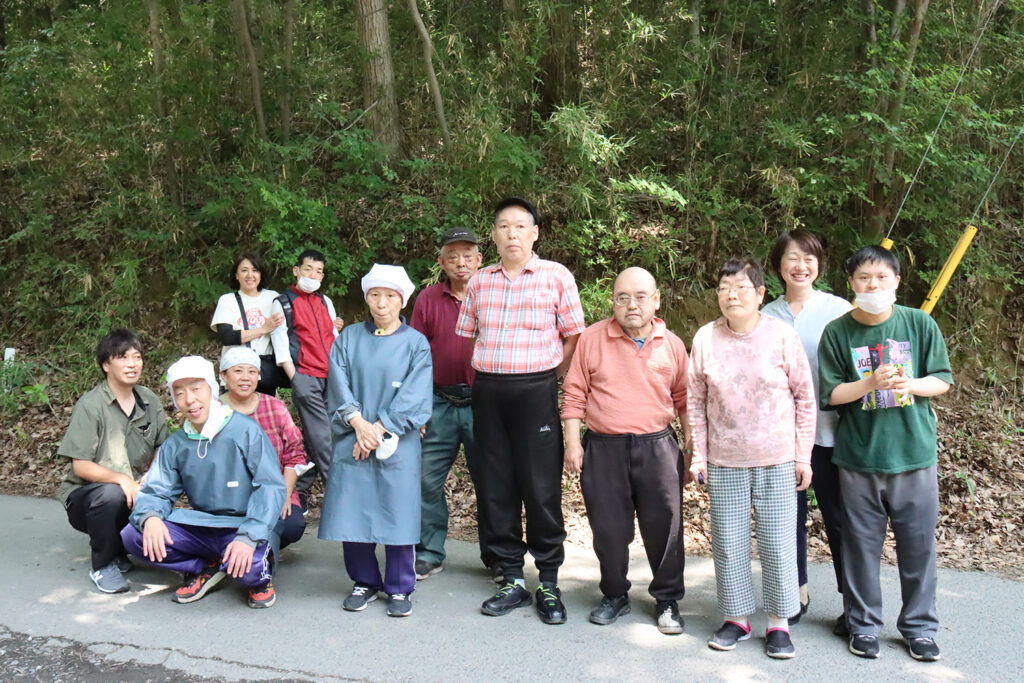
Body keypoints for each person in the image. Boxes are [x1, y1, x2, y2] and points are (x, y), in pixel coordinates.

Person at [456, 196, 586, 625]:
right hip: (490, 391)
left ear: (534, 233)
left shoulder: (555, 276)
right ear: (492, 235)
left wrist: (550, 375)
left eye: (520, 226)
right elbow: (469, 336)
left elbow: (572, 336)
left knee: (541, 486)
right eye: (504, 227)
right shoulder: (480, 281)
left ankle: (548, 580)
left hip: (536, 391)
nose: (512, 234)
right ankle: (510, 576)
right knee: (496, 485)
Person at [818, 246, 952, 662]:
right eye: (863, 278)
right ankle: (862, 625)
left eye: (880, 278)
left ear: (896, 282)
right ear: (851, 284)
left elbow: (942, 380)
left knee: (919, 548)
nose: (872, 285)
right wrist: (869, 384)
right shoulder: (838, 332)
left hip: (914, 456)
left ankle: (919, 628)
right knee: (859, 548)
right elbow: (831, 393)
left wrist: (909, 385)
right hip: (859, 458)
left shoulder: (918, 322)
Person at [688, 257, 815, 659]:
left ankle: (778, 622)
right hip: (724, 460)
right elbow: (695, 402)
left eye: (740, 287)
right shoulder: (706, 338)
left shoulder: (781, 335)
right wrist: (699, 456)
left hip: (777, 458)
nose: (730, 295)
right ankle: (737, 618)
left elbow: (805, 398)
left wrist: (803, 456)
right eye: (724, 287)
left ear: (761, 293)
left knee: (778, 543)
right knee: (728, 541)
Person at [561, 267, 692, 635]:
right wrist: (573, 444)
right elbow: (574, 394)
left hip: (658, 446)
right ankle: (614, 594)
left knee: (665, 526)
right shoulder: (592, 338)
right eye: (622, 297)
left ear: (656, 300)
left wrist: (691, 444)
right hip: (604, 447)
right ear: (612, 301)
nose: (631, 305)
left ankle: (667, 600)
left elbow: (684, 400)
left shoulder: (672, 344)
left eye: (640, 297)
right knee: (608, 528)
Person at [120, 356, 287, 609]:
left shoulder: (245, 430)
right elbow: (157, 490)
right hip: (203, 526)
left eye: (197, 389)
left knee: (249, 569)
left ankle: (256, 575)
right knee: (134, 536)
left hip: (245, 526)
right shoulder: (176, 444)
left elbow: (270, 486)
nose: (189, 399)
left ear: (212, 389)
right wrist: (151, 516)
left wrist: (249, 537)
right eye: (180, 392)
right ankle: (205, 566)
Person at [320, 264, 433, 618]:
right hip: (352, 435)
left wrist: (378, 429)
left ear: (402, 300)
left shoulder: (416, 344)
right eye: (375, 295)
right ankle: (363, 580)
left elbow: (416, 396)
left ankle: (400, 587)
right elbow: (337, 385)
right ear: (366, 297)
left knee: (398, 510)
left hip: (396, 441)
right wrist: (358, 423)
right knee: (353, 509)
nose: (381, 303)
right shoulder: (348, 338)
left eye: (390, 296)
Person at [761, 230, 853, 629]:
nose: (801, 266)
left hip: (833, 434)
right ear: (778, 266)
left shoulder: (839, 309)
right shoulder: (766, 315)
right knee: (787, 518)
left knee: (840, 517)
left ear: (820, 264)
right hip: (782, 437)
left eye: (809, 258)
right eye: (792, 258)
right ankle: (794, 589)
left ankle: (854, 599)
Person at [410, 227, 494, 580]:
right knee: (426, 480)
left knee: (492, 481)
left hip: (485, 402)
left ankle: (497, 554)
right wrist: (416, 409)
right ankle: (429, 551)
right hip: (438, 401)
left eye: (468, 254)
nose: (461, 262)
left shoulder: (494, 293)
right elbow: (412, 354)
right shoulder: (428, 298)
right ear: (442, 262)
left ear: (479, 260)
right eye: (453, 255)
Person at [56, 329, 169, 594]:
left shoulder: (149, 400)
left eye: (137, 357)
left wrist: (150, 478)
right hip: (88, 499)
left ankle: (119, 547)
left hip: (137, 491)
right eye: (123, 358)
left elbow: (162, 448)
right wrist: (122, 479)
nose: (132, 364)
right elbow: (80, 466)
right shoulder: (91, 405)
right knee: (111, 494)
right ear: (106, 365)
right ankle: (103, 565)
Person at [269, 249, 345, 508]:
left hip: (330, 376)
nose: (314, 275)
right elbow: (280, 344)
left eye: (319, 271)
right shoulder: (284, 303)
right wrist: (296, 378)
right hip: (305, 377)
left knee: (316, 438)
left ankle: (298, 491)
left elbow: (333, 338)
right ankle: (341, 495)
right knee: (323, 437)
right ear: (296, 270)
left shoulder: (325, 302)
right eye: (309, 269)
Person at [218, 346, 309, 550]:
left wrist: (283, 494)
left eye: (252, 372)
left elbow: (295, 454)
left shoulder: (275, 407)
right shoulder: (213, 411)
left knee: (291, 526)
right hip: (225, 495)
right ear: (223, 375)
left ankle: (253, 549)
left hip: (272, 488)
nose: (245, 378)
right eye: (238, 371)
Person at [210, 252, 286, 396]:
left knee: (264, 415)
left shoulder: (273, 298)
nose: (250, 275)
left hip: (264, 371)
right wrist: (263, 329)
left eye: (255, 270)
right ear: (236, 275)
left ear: (261, 274)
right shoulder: (227, 300)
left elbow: (292, 328)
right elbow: (227, 337)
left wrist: (330, 325)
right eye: (244, 270)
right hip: (235, 370)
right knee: (236, 415)